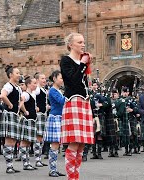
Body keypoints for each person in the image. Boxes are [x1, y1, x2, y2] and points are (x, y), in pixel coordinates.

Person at [60, 33, 95, 180]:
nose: (83, 44)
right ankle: (71, 177)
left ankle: (76, 176)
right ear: (71, 44)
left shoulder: (81, 61)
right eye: (79, 42)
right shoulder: (65, 60)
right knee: (74, 142)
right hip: (73, 101)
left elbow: (83, 82)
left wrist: (84, 64)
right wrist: (83, 64)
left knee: (81, 144)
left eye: (83, 42)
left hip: (84, 101)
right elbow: (73, 80)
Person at [0, 65, 22, 174]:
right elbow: (3, 95)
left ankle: (10, 165)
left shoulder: (16, 87)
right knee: (9, 141)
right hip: (9, 114)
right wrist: (10, 104)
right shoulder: (8, 86)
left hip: (14, 115)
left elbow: (21, 100)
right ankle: (9, 166)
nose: (19, 75)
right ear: (10, 75)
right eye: (17, 73)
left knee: (13, 141)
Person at [43, 70, 66, 177]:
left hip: (59, 117)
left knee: (57, 145)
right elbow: (61, 101)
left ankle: (54, 169)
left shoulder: (58, 90)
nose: (62, 80)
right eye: (61, 78)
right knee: (55, 144)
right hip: (55, 118)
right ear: (54, 79)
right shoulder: (52, 90)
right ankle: (52, 169)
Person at [19, 76, 38, 170]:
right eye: (34, 83)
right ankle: (25, 163)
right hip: (28, 120)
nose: (35, 85)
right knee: (24, 142)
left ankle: (27, 162)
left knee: (28, 142)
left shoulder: (33, 94)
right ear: (28, 84)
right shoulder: (25, 94)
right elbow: (20, 102)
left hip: (32, 120)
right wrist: (25, 111)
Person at [33, 72, 49, 167]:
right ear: (37, 80)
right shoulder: (37, 89)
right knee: (39, 137)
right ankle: (37, 159)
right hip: (39, 115)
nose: (44, 80)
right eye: (42, 78)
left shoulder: (42, 89)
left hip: (43, 114)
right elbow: (32, 96)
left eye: (45, 78)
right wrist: (34, 106)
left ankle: (38, 159)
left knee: (41, 137)